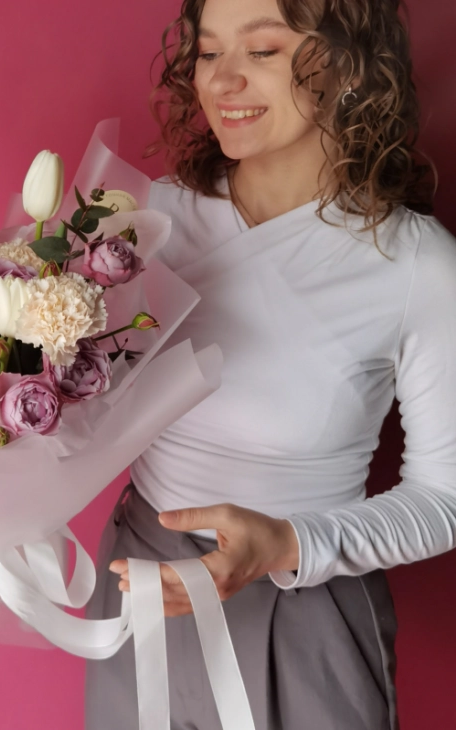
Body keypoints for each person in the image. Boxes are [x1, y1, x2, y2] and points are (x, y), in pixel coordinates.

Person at [84, 0, 456, 728]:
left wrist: (289, 544)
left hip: (304, 612)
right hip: (141, 588)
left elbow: (446, 498)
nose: (223, 81)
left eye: (262, 51)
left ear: (349, 63)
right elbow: (68, 403)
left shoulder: (419, 266)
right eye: (207, 51)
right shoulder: (140, 223)